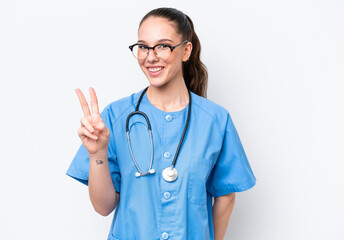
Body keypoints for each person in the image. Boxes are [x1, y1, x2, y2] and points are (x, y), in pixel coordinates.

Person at [66, 7, 256, 240]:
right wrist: (97, 153)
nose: (151, 56)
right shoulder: (115, 116)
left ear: (186, 51)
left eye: (163, 46)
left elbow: (226, 196)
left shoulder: (215, 120)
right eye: (143, 47)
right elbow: (103, 207)